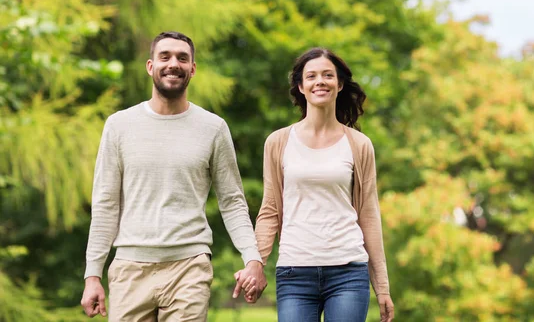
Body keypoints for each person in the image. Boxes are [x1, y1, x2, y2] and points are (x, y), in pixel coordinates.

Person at [80, 31, 266, 321]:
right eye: (164, 56)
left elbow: (232, 201)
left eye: (182, 58)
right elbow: (105, 204)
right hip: (130, 267)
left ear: (192, 69)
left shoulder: (213, 128)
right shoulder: (119, 126)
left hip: (189, 267)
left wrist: (252, 257)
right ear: (150, 66)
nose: (173, 64)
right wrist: (93, 274)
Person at [252, 47, 395, 322]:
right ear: (301, 86)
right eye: (312, 76)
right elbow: (269, 209)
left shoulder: (359, 144)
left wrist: (382, 287)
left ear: (339, 84)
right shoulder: (278, 142)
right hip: (295, 272)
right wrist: (256, 262)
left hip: (348, 271)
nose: (320, 81)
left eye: (328, 75)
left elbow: (369, 215)